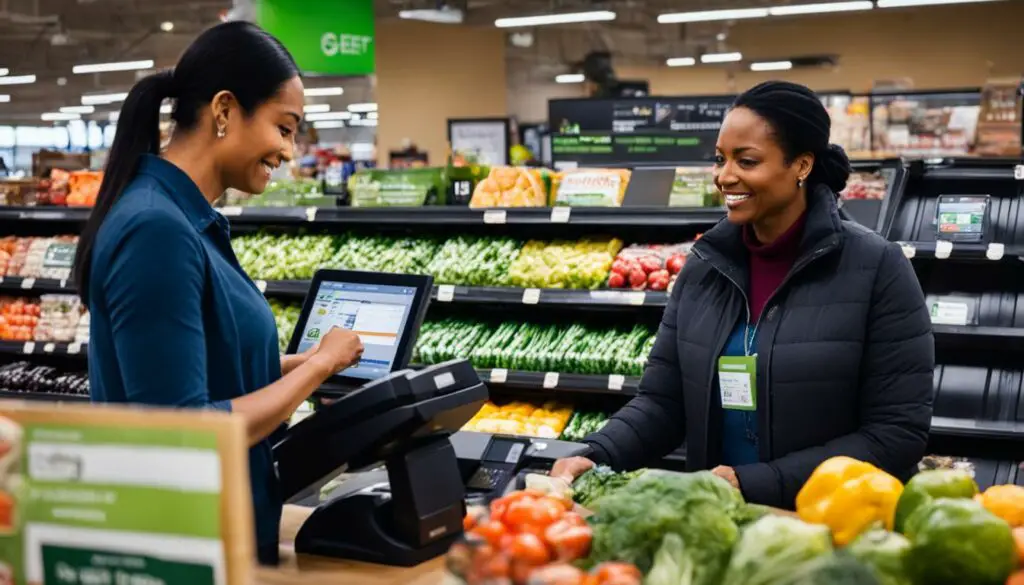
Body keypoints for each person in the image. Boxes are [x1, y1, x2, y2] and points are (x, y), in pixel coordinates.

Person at [552, 81, 934, 508]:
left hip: (834, 528)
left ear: (802, 165)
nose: (724, 176)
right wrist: (598, 452)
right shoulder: (704, 266)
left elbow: (895, 433)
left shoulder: (876, 267)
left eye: (746, 160)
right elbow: (664, 401)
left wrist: (760, 482)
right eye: (720, 159)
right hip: (721, 521)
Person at [72, 22, 364, 565]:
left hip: (214, 532)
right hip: (185, 545)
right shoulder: (155, 229)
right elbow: (184, 427)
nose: (289, 151)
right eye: (284, 127)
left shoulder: (181, 217)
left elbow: (200, 367)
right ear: (225, 110)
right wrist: (316, 370)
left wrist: (299, 361)